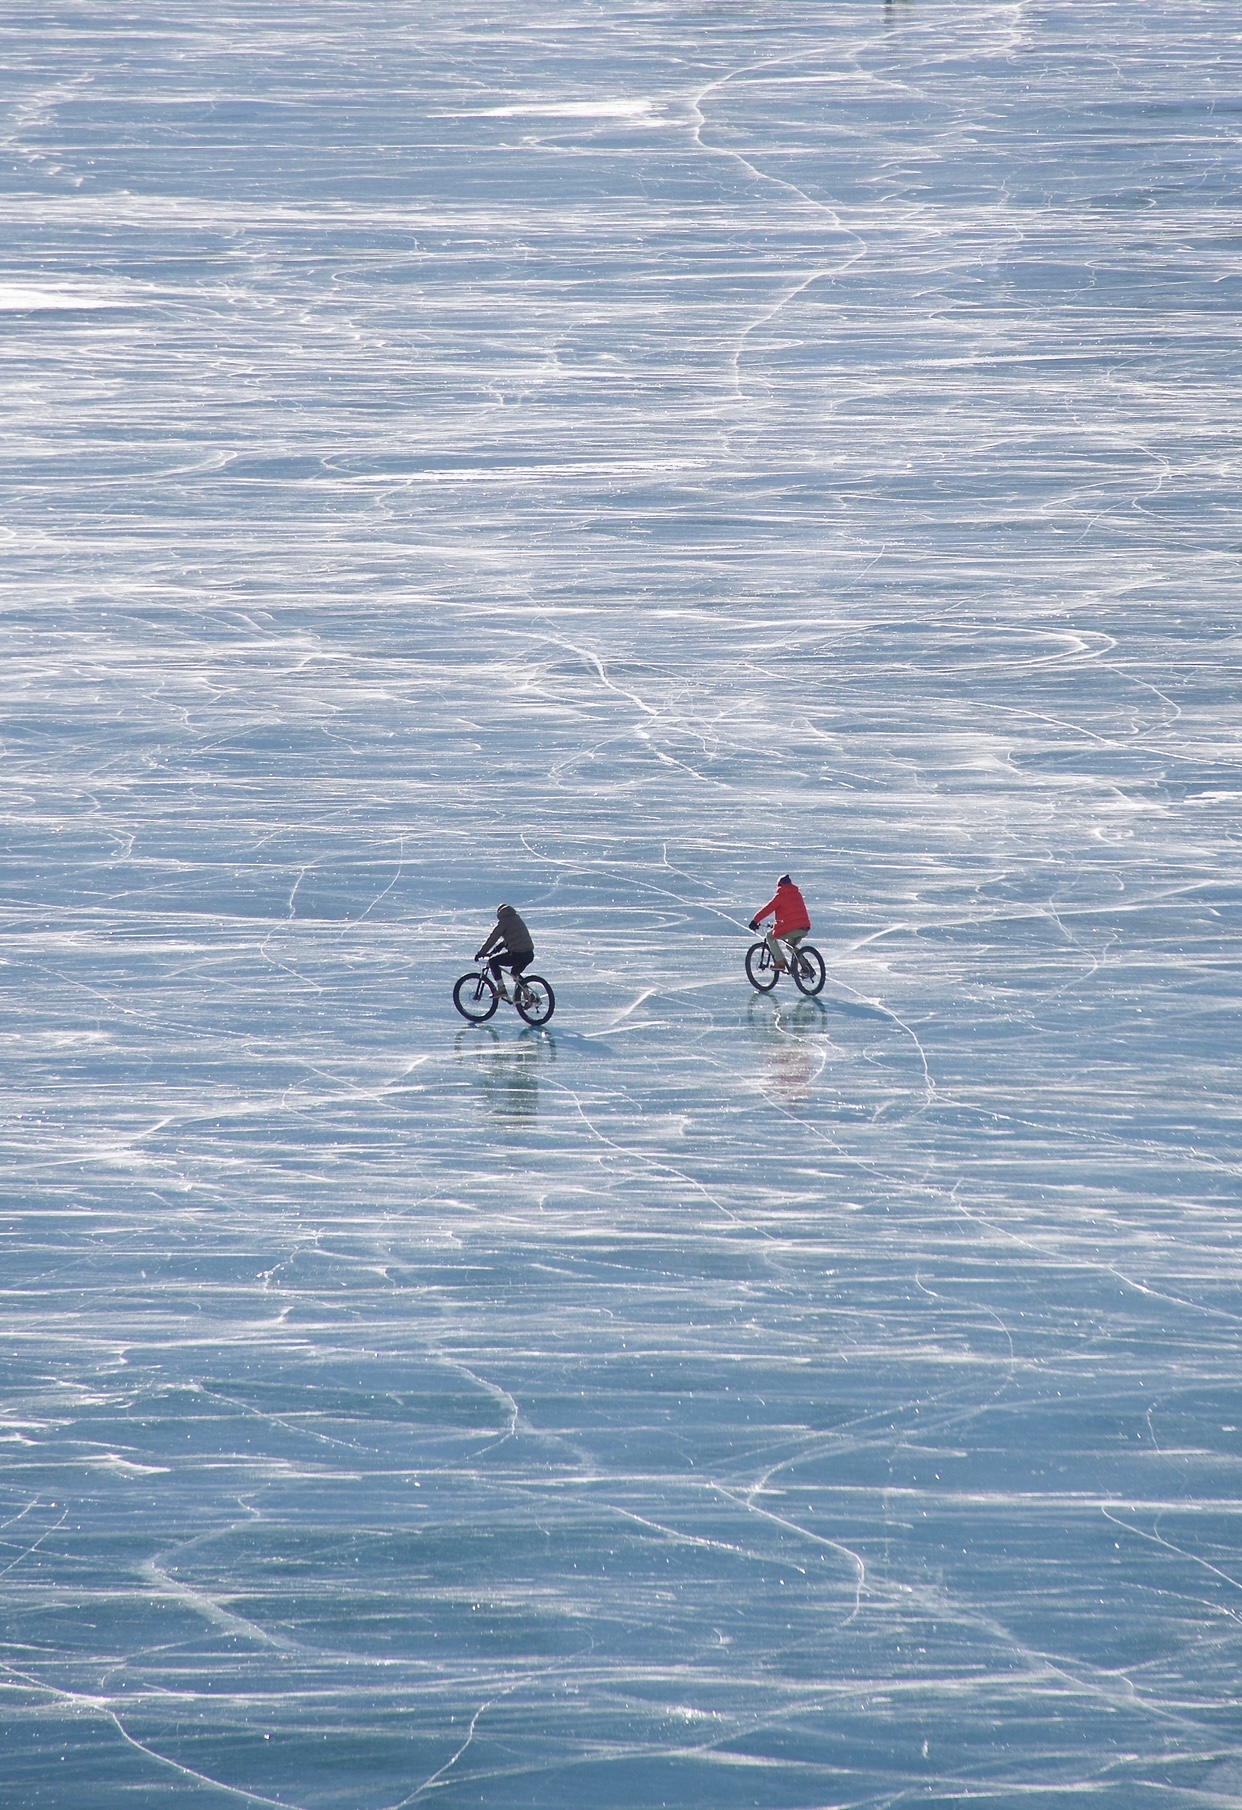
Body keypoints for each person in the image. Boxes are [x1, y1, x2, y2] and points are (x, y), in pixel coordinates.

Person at [749, 874, 810, 974]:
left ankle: (780, 962)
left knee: (770, 936)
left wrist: (755, 921)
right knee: (790, 946)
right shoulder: (797, 894)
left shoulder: (781, 896)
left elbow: (768, 909)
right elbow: (791, 914)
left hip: (792, 928)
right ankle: (806, 966)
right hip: (803, 927)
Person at [475, 903, 535, 1002]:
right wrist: (496, 950)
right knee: (515, 973)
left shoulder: (504, 922)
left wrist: (482, 952)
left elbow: (493, 938)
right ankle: (528, 995)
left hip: (518, 954)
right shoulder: (516, 919)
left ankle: (501, 989)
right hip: (528, 954)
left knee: (493, 962)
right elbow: (512, 939)